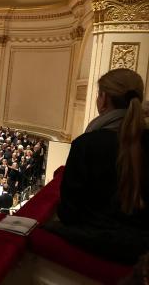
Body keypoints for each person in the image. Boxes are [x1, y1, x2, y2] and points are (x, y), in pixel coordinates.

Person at [54, 68, 149, 264]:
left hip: (94, 249)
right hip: (140, 251)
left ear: (103, 99)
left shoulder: (87, 144)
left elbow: (69, 212)